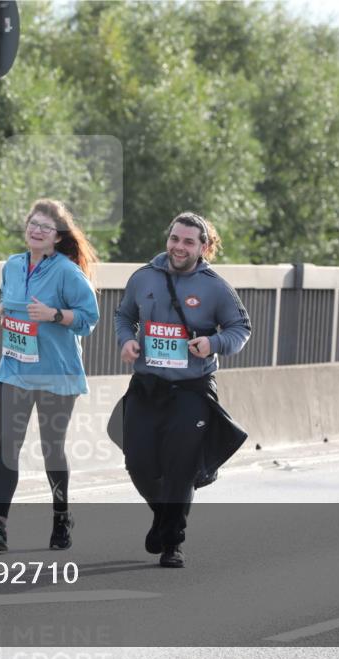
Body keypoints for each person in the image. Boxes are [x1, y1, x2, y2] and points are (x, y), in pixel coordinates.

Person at [113, 212, 251, 567]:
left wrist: (213, 342)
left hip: (191, 390)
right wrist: (127, 340)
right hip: (147, 385)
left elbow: (240, 329)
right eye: (175, 238)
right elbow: (123, 315)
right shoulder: (143, 277)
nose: (179, 247)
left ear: (203, 247)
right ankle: (163, 517)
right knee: (138, 462)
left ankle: (173, 542)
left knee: (180, 467)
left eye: (189, 241)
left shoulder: (215, 287)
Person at [0, 199, 100, 552]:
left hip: (56, 373)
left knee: (51, 448)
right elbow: (8, 301)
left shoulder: (68, 272)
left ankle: (61, 515)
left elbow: (89, 319)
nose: (37, 230)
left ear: (58, 237)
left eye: (45, 227)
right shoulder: (12, 265)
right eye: (33, 223)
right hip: (15, 367)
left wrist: (53, 314)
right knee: (8, 444)